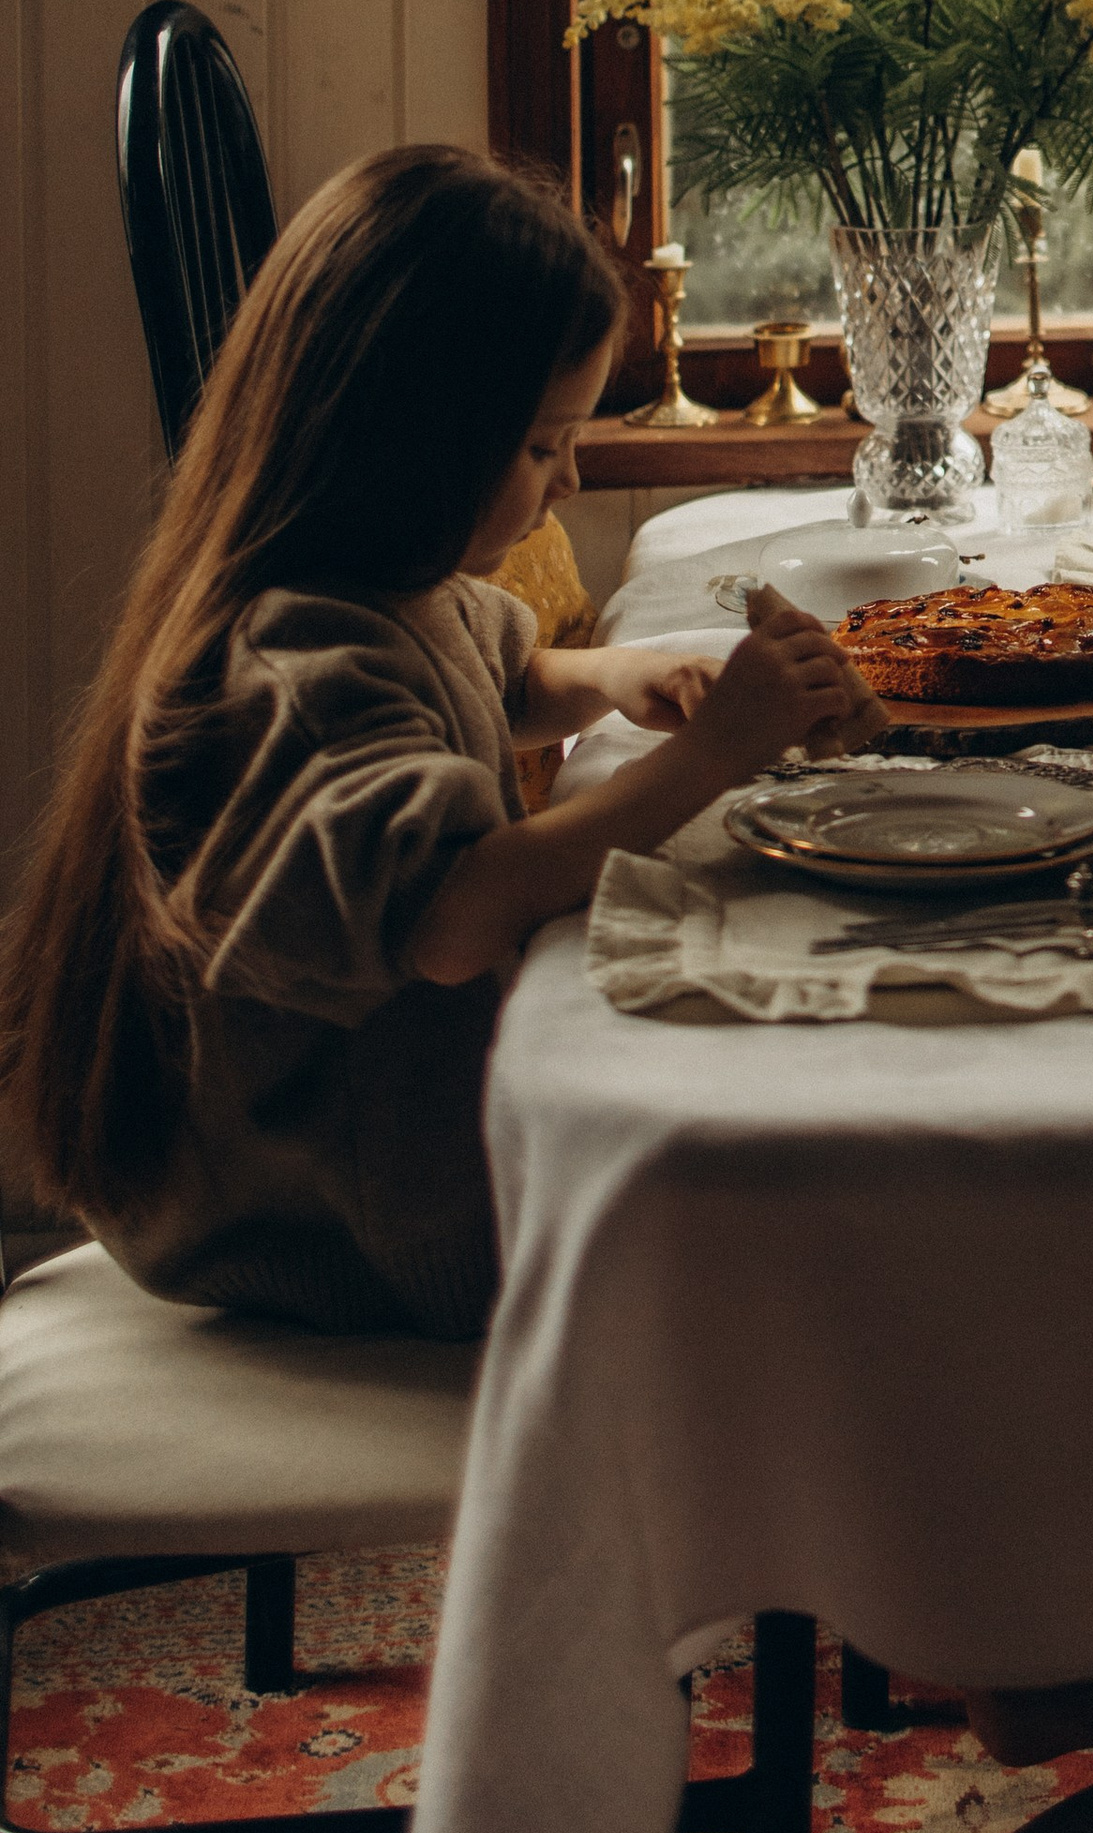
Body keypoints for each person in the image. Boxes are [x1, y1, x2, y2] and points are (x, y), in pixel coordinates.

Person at [0, 145, 866, 1339]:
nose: (565, 479)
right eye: (538, 447)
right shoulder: (293, 659)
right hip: (350, 1210)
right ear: (409, 428)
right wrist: (708, 758)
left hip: (371, 1155)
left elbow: (503, 681)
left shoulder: (390, 585)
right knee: (786, 1212)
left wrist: (625, 678)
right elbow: (453, 917)